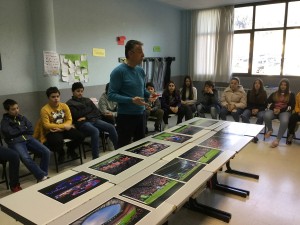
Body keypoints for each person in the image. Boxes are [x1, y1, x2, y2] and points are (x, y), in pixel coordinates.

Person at [108, 40, 152, 148]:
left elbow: (142, 90)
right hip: (126, 116)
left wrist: (149, 95)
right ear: (130, 53)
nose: (143, 55)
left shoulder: (140, 71)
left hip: (141, 115)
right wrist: (131, 100)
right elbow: (111, 95)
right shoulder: (118, 72)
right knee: (123, 148)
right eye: (139, 51)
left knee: (140, 147)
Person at [1, 99, 50, 182]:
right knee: (26, 158)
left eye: (17, 108)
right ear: (7, 110)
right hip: (15, 142)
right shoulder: (4, 121)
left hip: (28, 138)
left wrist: (18, 130)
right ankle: (42, 177)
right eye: (13, 109)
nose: (16, 110)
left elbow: (31, 129)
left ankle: (42, 175)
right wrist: (23, 129)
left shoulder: (22, 117)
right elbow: (9, 133)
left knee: (46, 151)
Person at [66, 82, 118, 158]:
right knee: (95, 131)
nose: (80, 93)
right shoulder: (69, 103)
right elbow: (76, 115)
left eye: (81, 91)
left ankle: (118, 149)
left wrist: (86, 117)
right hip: (82, 123)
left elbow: (97, 112)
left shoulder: (87, 100)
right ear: (73, 91)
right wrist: (89, 110)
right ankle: (95, 157)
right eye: (78, 91)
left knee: (111, 127)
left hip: (93, 120)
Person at [34, 87, 85, 163]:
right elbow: (46, 125)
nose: (56, 99)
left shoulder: (64, 106)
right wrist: (64, 127)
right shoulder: (44, 109)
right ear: (48, 98)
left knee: (80, 136)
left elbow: (69, 120)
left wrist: (63, 128)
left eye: (58, 96)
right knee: (56, 142)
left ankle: (70, 150)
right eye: (53, 97)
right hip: (53, 131)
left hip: (64, 129)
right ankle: (61, 153)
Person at [264, 78, 295, 148]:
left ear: (287, 86)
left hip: (285, 112)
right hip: (274, 110)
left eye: (285, 85)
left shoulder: (291, 94)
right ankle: (270, 129)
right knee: (266, 115)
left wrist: (280, 110)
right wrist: (273, 108)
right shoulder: (275, 93)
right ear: (279, 85)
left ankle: (277, 139)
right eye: (281, 84)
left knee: (285, 121)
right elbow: (267, 102)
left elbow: (291, 106)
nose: (283, 86)